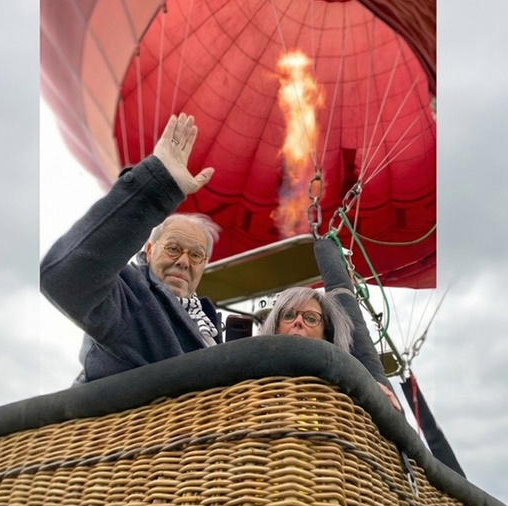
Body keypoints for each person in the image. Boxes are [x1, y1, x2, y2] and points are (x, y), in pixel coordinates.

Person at [40, 113, 221, 383]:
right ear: (149, 251)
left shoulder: (211, 328)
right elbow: (65, 278)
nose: (184, 261)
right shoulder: (131, 298)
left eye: (196, 255)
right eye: (173, 248)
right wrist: (157, 188)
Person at [258, 237, 403, 412]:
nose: (298, 322)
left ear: (326, 334)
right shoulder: (255, 383)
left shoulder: (346, 392)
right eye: (289, 315)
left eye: (311, 318)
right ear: (275, 328)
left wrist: (370, 391)